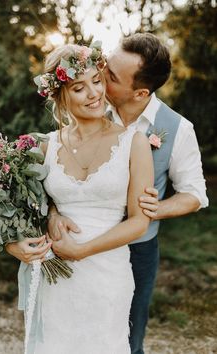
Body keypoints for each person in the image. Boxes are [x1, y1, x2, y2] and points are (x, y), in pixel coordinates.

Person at [48, 33, 208, 354]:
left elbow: (195, 195)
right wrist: (55, 211)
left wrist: (155, 208)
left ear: (140, 92)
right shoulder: (88, 107)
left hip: (136, 249)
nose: (98, 77)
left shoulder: (178, 129)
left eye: (109, 76)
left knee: (124, 337)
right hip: (75, 241)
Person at [6, 42, 154, 354]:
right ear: (60, 95)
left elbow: (140, 222)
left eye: (97, 81)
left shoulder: (134, 142)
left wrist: (82, 250)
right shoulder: (44, 147)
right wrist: (39, 224)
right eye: (79, 87)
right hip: (56, 279)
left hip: (108, 275)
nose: (94, 94)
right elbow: (25, 208)